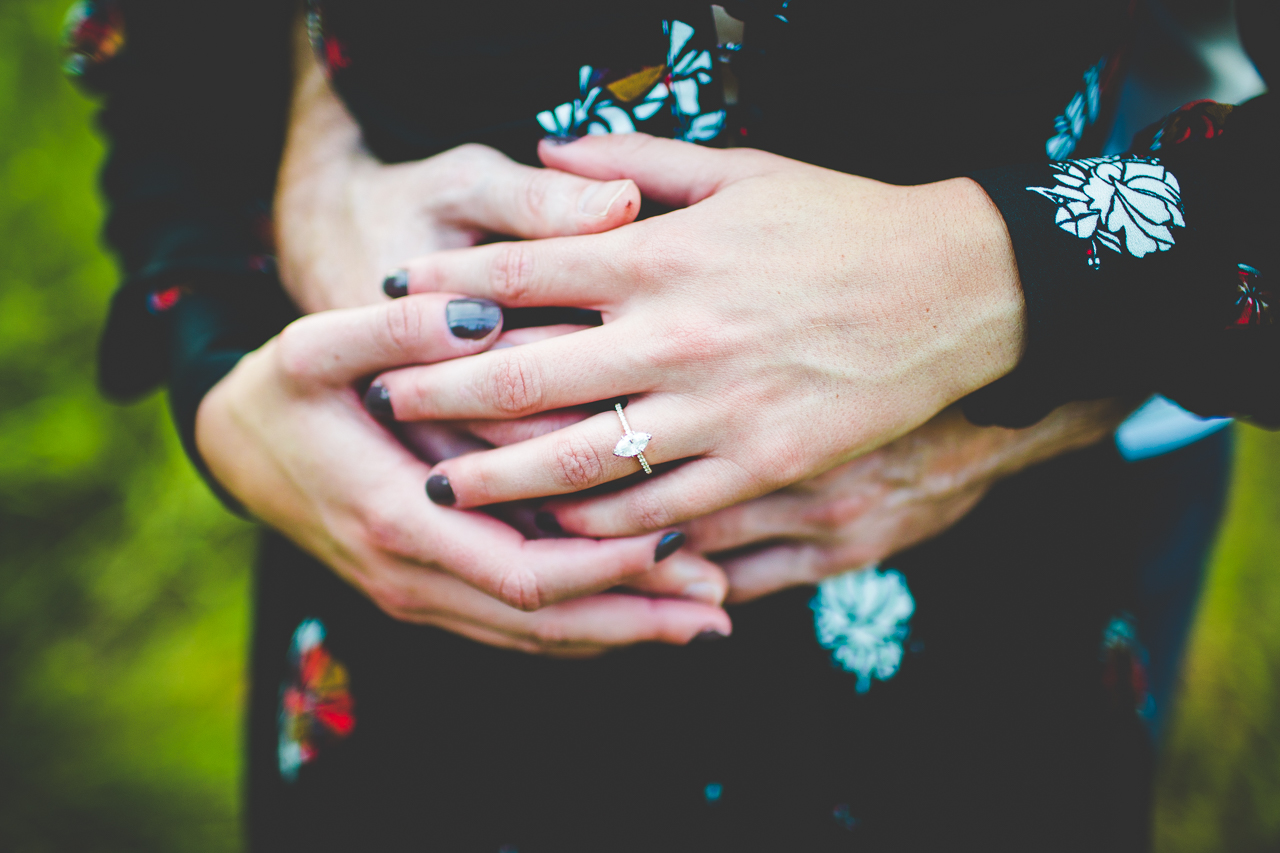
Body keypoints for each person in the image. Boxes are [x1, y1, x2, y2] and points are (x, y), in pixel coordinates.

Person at [68, 0, 1272, 849]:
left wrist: (1016, 279)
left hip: (988, 640)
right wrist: (225, 368)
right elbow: (171, 44)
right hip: (416, 671)